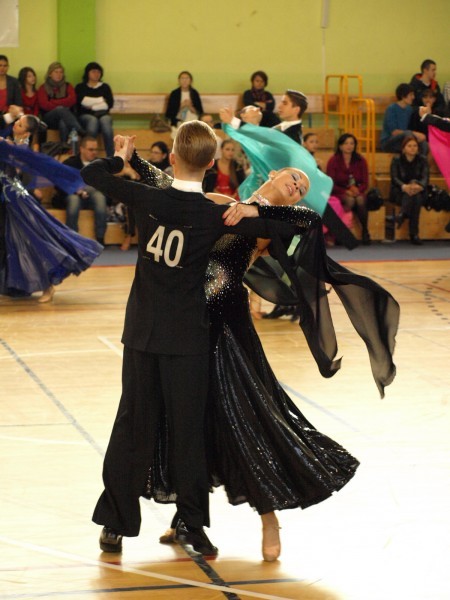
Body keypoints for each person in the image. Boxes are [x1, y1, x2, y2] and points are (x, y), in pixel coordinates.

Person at [127, 148, 399, 562]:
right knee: (189, 422)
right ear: (272, 175)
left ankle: (269, 518)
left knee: (246, 420)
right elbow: (170, 186)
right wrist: (133, 160)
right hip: (188, 326)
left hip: (228, 329)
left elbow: (309, 221)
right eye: (294, 178)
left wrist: (255, 212)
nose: (297, 186)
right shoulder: (219, 203)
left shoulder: (274, 225)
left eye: (302, 188)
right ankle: (188, 517)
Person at [81, 121, 303, 557]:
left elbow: (92, 174)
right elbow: (301, 226)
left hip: (143, 332)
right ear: (213, 163)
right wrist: (255, 214)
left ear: (173, 158)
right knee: (188, 435)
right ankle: (193, 527)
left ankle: (115, 525)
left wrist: (120, 160)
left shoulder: (149, 196)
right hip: (189, 339)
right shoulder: (215, 213)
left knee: (131, 428)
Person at [0, 115, 102, 302]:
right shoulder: (11, 143)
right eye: (17, 121)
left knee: (33, 241)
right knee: (12, 243)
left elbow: (17, 169)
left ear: (27, 133)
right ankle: (15, 284)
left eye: (20, 124)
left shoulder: (19, 148)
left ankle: (48, 286)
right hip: (7, 200)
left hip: (16, 201)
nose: (15, 124)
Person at [55, 136, 108, 245]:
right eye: (91, 149)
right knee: (74, 200)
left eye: (96, 149)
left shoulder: (100, 165)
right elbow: (59, 183)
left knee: (100, 197)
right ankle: (72, 239)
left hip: (93, 197)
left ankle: (100, 239)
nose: (94, 152)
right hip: (72, 196)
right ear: (82, 149)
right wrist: (75, 189)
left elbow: (106, 186)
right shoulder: (70, 163)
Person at [326, 133, 370, 244]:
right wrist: (345, 191)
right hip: (338, 191)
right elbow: (331, 183)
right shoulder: (333, 161)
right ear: (340, 146)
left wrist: (358, 191)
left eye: (352, 143)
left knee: (360, 200)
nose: (349, 146)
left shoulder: (361, 160)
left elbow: (365, 183)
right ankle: (338, 233)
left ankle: (365, 231)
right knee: (350, 200)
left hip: (357, 191)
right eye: (346, 143)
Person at [390, 136, 429, 245]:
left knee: (416, 196)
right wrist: (404, 187)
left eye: (415, 146)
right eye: (409, 146)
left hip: (418, 191)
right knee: (414, 197)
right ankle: (414, 234)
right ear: (403, 148)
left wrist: (419, 186)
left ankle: (403, 214)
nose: (413, 148)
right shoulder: (396, 160)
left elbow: (425, 178)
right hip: (399, 191)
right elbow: (394, 178)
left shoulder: (423, 160)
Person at [37, 62, 84, 144]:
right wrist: (63, 104)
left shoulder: (68, 86)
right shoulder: (43, 88)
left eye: (61, 72)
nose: (59, 74)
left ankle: (65, 146)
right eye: (56, 72)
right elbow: (45, 105)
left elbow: (72, 100)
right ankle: (79, 130)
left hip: (67, 118)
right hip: (49, 118)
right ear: (50, 74)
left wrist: (53, 102)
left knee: (63, 122)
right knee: (60, 109)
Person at [75, 62, 114, 157]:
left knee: (106, 124)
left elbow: (109, 104)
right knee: (93, 122)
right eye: (93, 72)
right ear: (87, 73)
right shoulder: (80, 87)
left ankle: (111, 156)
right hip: (85, 116)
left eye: (98, 72)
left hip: (103, 114)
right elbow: (82, 102)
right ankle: (88, 155)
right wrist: (101, 100)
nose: (96, 74)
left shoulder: (105, 87)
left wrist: (92, 106)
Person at [380, 83, 428, 155]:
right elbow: (394, 132)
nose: (413, 97)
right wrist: (414, 134)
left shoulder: (409, 109)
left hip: (405, 139)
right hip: (389, 141)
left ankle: (419, 161)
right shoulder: (391, 109)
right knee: (408, 134)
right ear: (403, 96)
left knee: (424, 144)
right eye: (411, 95)